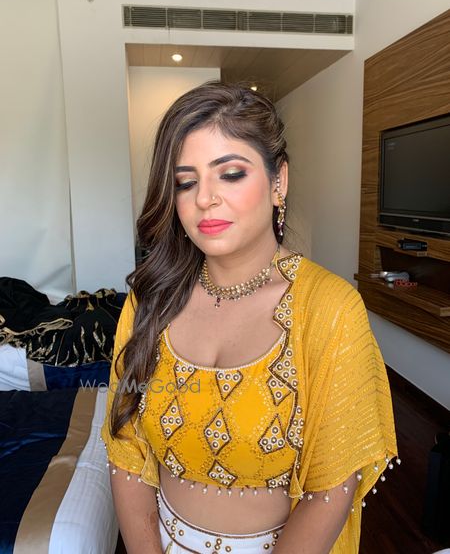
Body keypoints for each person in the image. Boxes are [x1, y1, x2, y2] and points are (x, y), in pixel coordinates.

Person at [101, 81, 398, 554]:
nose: (205, 199)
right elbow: (127, 449)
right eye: (185, 182)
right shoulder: (149, 301)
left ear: (279, 181)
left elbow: (330, 487)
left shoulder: (330, 309)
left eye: (231, 174)